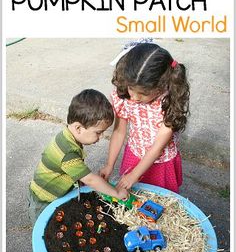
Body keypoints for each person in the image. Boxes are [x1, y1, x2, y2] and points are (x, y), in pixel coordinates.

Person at [100, 42, 190, 193]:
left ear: (160, 86)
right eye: (131, 89)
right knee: (132, 197)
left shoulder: (168, 102)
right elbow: (119, 132)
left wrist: (134, 174)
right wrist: (109, 165)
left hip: (161, 163)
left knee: (159, 200)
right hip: (134, 155)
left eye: (143, 93)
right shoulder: (124, 96)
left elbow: (157, 148)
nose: (134, 97)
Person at [28, 89, 128, 224]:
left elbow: (74, 171)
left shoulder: (68, 137)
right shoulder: (68, 152)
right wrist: (116, 193)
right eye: (98, 133)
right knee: (46, 225)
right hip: (45, 200)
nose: (100, 137)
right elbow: (90, 180)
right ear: (78, 128)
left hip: (57, 191)